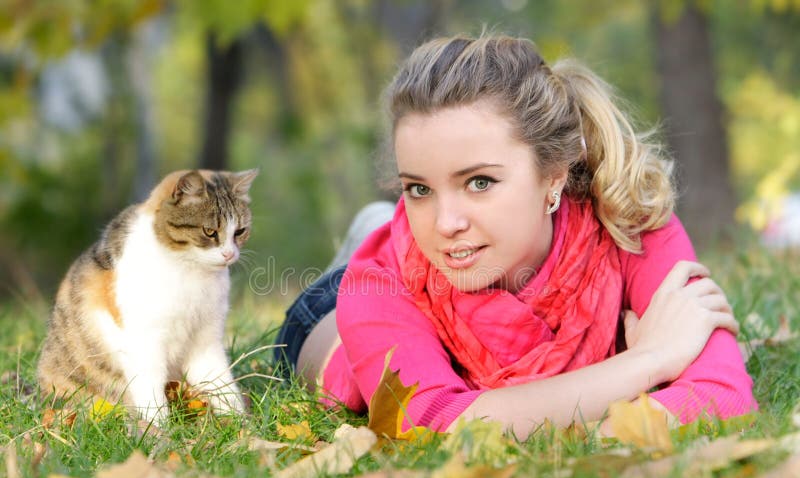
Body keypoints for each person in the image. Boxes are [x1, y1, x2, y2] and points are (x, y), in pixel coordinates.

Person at [274, 34, 756, 440]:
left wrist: (532, 418)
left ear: (553, 177)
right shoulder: (375, 284)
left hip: (420, 265)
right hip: (337, 314)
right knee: (372, 266)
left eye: (479, 182)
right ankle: (372, 229)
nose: (445, 223)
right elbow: (438, 429)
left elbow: (725, 395)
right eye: (418, 188)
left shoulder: (627, 218)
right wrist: (653, 360)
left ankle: (377, 220)